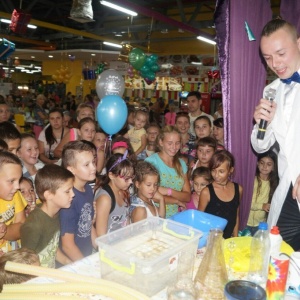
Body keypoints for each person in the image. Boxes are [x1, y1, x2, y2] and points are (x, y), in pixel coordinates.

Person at [250, 19, 300, 250]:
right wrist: (262, 122)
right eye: (267, 58)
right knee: (278, 256)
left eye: (280, 53)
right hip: (286, 189)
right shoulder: (271, 90)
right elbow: (261, 146)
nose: (275, 64)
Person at [21, 165, 74, 268]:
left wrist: (69, 263)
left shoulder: (56, 213)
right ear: (49, 195)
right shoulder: (34, 225)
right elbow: (26, 261)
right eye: (67, 191)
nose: (73, 194)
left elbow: (52, 248)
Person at [60, 141, 96, 261]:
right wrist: (87, 266)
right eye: (87, 165)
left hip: (86, 254)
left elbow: (88, 224)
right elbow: (67, 246)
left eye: (93, 162)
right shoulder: (69, 198)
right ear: (71, 169)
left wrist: (99, 246)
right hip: (73, 262)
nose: (94, 167)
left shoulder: (88, 189)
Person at [145, 126, 190, 218]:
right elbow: (149, 195)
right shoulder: (151, 162)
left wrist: (168, 191)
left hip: (175, 216)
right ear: (161, 142)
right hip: (154, 216)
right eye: (169, 143)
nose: (174, 147)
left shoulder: (181, 164)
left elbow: (187, 196)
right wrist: (176, 201)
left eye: (177, 143)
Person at [198, 150, 243, 238]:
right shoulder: (206, 192)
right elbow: (199, 219)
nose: (216, 175)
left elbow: (235, 215)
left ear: (231, 170)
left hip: (228, 239)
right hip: (209, 240)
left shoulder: (238, 189)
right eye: (213, 170)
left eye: (221, 171)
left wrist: (236, 237)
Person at [94, 152, 133, 236]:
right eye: (126, 179)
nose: (131, 182)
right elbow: (100, 235)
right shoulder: (105, 199)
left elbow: (126, 221)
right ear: (111, 175)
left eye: (131, 177)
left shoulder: (124, 191)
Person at [246, 151, 279, 236]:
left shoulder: (274, 184)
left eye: (269, 164)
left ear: (273, 167)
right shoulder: (251, 180)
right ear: (257, 163)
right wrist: (262, 206)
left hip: (261, 225)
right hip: (245, 222)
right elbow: (245, 203)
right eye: (262, 163)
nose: (264, 167)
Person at [0, 151, 26, 253]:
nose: (17, 187)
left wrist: (4, 230)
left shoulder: (14, 194)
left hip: (14, 249)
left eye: (18, 181)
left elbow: (22, 227)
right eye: (11, 181)